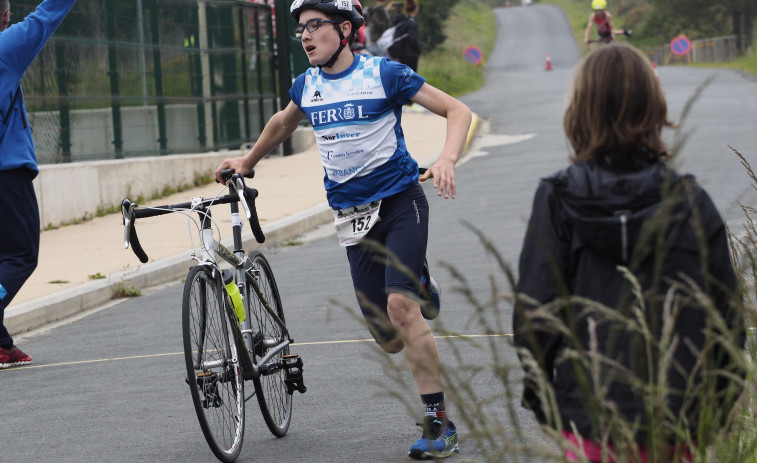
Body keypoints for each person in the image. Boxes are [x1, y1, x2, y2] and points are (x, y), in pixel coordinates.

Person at [215, 0, 471, 458]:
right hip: (352, 218)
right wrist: (246, 161)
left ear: (346, 30)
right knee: (390, 339)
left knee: (402, 307)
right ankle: (420, 279)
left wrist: (447, 157)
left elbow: (457, 110)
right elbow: (282, 122)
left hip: (400, 202)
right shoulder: (307, 85)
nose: (306, 36)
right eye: (300, 30)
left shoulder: (384, 74)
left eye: (315, 25)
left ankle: (439, 423)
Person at [513, 43, 745, 462]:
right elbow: (726, 318)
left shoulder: (557, 199)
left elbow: (536, 313)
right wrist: (718, 407)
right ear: (654, 106)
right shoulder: (690, 200)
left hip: (590, 418)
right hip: (678, 419)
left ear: (579, 110)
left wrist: (546, 402)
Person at [0, 0, 78, 369]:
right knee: (20, 255)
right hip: (6, 174)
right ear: (4, 16)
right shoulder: (5, 49)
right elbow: (45, 17)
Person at [387, 0, 421, 72]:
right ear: (416, 8)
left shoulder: (400, 21)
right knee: (412, 77)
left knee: (403, 76)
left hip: (400, 54)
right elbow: (413, 39)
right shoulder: (411, 23)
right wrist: (419, 49)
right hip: (411, 55)